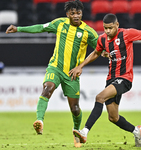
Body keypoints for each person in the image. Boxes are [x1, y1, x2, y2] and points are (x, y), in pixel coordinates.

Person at [69, 13, 141, 147]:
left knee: (99, 97)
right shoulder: (102, 39)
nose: (107, 31)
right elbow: (96, 52)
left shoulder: (127, 34)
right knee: (113, 117)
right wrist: (80, 66)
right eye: (105, 28)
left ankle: (84, 131)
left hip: (125, 78)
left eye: (110, 28)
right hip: (111, 79)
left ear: (117, 25)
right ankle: (136, 131)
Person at [6, 0, 98, 147]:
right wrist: (18, 29)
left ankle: (76, 130)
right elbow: (40, 28)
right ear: (67, 14)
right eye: (73, 13)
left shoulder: (88, 32)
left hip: (72, 74)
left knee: (75, 109)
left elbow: (99, 49)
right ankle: (39, 121)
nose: (76, 16)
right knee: (47, 89)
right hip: (55, 67)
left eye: (78, 13)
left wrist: (82, 66)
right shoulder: (59, 24)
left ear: (82, 14)